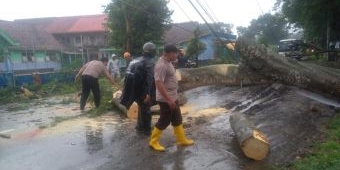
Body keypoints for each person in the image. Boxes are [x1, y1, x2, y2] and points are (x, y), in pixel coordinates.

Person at [149, 44, 194, 152]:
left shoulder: (168, 62)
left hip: (172, 97)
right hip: (166, 99)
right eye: (175, 53)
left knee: (177, 118)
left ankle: (181, 139)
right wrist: (168, 99)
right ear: (168, 53)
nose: (177, 55)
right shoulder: (161, 65)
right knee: (164, 120)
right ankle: (153, 142)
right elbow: (158, 83)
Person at [121, 42, 157, 135]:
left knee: (142, 107)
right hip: (143, 89)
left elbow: (126, 77)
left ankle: (139, 126)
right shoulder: (149, 61)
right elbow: (150, 78)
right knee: (146, 109)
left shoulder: (135, 60)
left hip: (133, 89)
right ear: (152, 51)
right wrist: (149, 93)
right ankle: (146, 130)